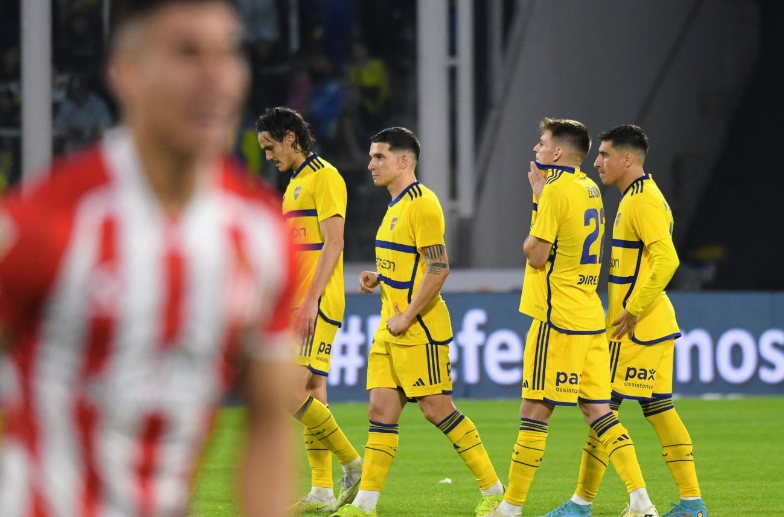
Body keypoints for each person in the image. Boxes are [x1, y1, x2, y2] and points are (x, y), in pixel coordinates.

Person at [0, 1, 294, 516]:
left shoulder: (262, 237)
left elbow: (270, 423)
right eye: (186, 53)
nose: (215, 76)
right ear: (126, 73)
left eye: (228, 52)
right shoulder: (43, 225)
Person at [488, 119, 658, 517]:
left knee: (534, 411)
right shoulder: (590, 189)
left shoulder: (556, 190)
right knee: (599, 411)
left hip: (556, 317)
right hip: (589, 315)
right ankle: (641, 502)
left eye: (542, 143)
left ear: (558, 152)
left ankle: (510, 508)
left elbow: (535, 254)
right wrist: (540, 199)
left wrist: (537, 206)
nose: (536, 149)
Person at [331, 127, 505, 517]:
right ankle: (365, 504)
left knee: (437, 409)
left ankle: (494, 491)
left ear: (403, 161)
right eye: (372, 156)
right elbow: (409, 263)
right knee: (379, 410)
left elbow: (439, 267)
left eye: (379, 157)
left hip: (417, 327)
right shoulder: (395, 205)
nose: (370, 163)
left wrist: (408, 315)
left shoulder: (423, 204)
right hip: (388, 325)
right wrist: (381, 277)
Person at [540, 125, 707, 517]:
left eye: (605, 155)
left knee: (603, 409)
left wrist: (632, 309)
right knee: (652, 410)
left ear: (627, 159)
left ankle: (585, 504)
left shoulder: (642, 201)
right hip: (642, 326)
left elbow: (668, 259)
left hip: (638, 327)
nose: (597, 162)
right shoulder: (637, 197)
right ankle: (690, 502)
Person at [257, 106, 363, 513]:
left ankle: (353, 462)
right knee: (314, 391)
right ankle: (322, 489)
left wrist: (312, 300)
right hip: (297, 301)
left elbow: (334, 244)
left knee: (287, 391)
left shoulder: (326, 176)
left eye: (270, 147)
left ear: (290, 137)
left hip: (315, 301)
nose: (269, 157)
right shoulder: (295, 184)